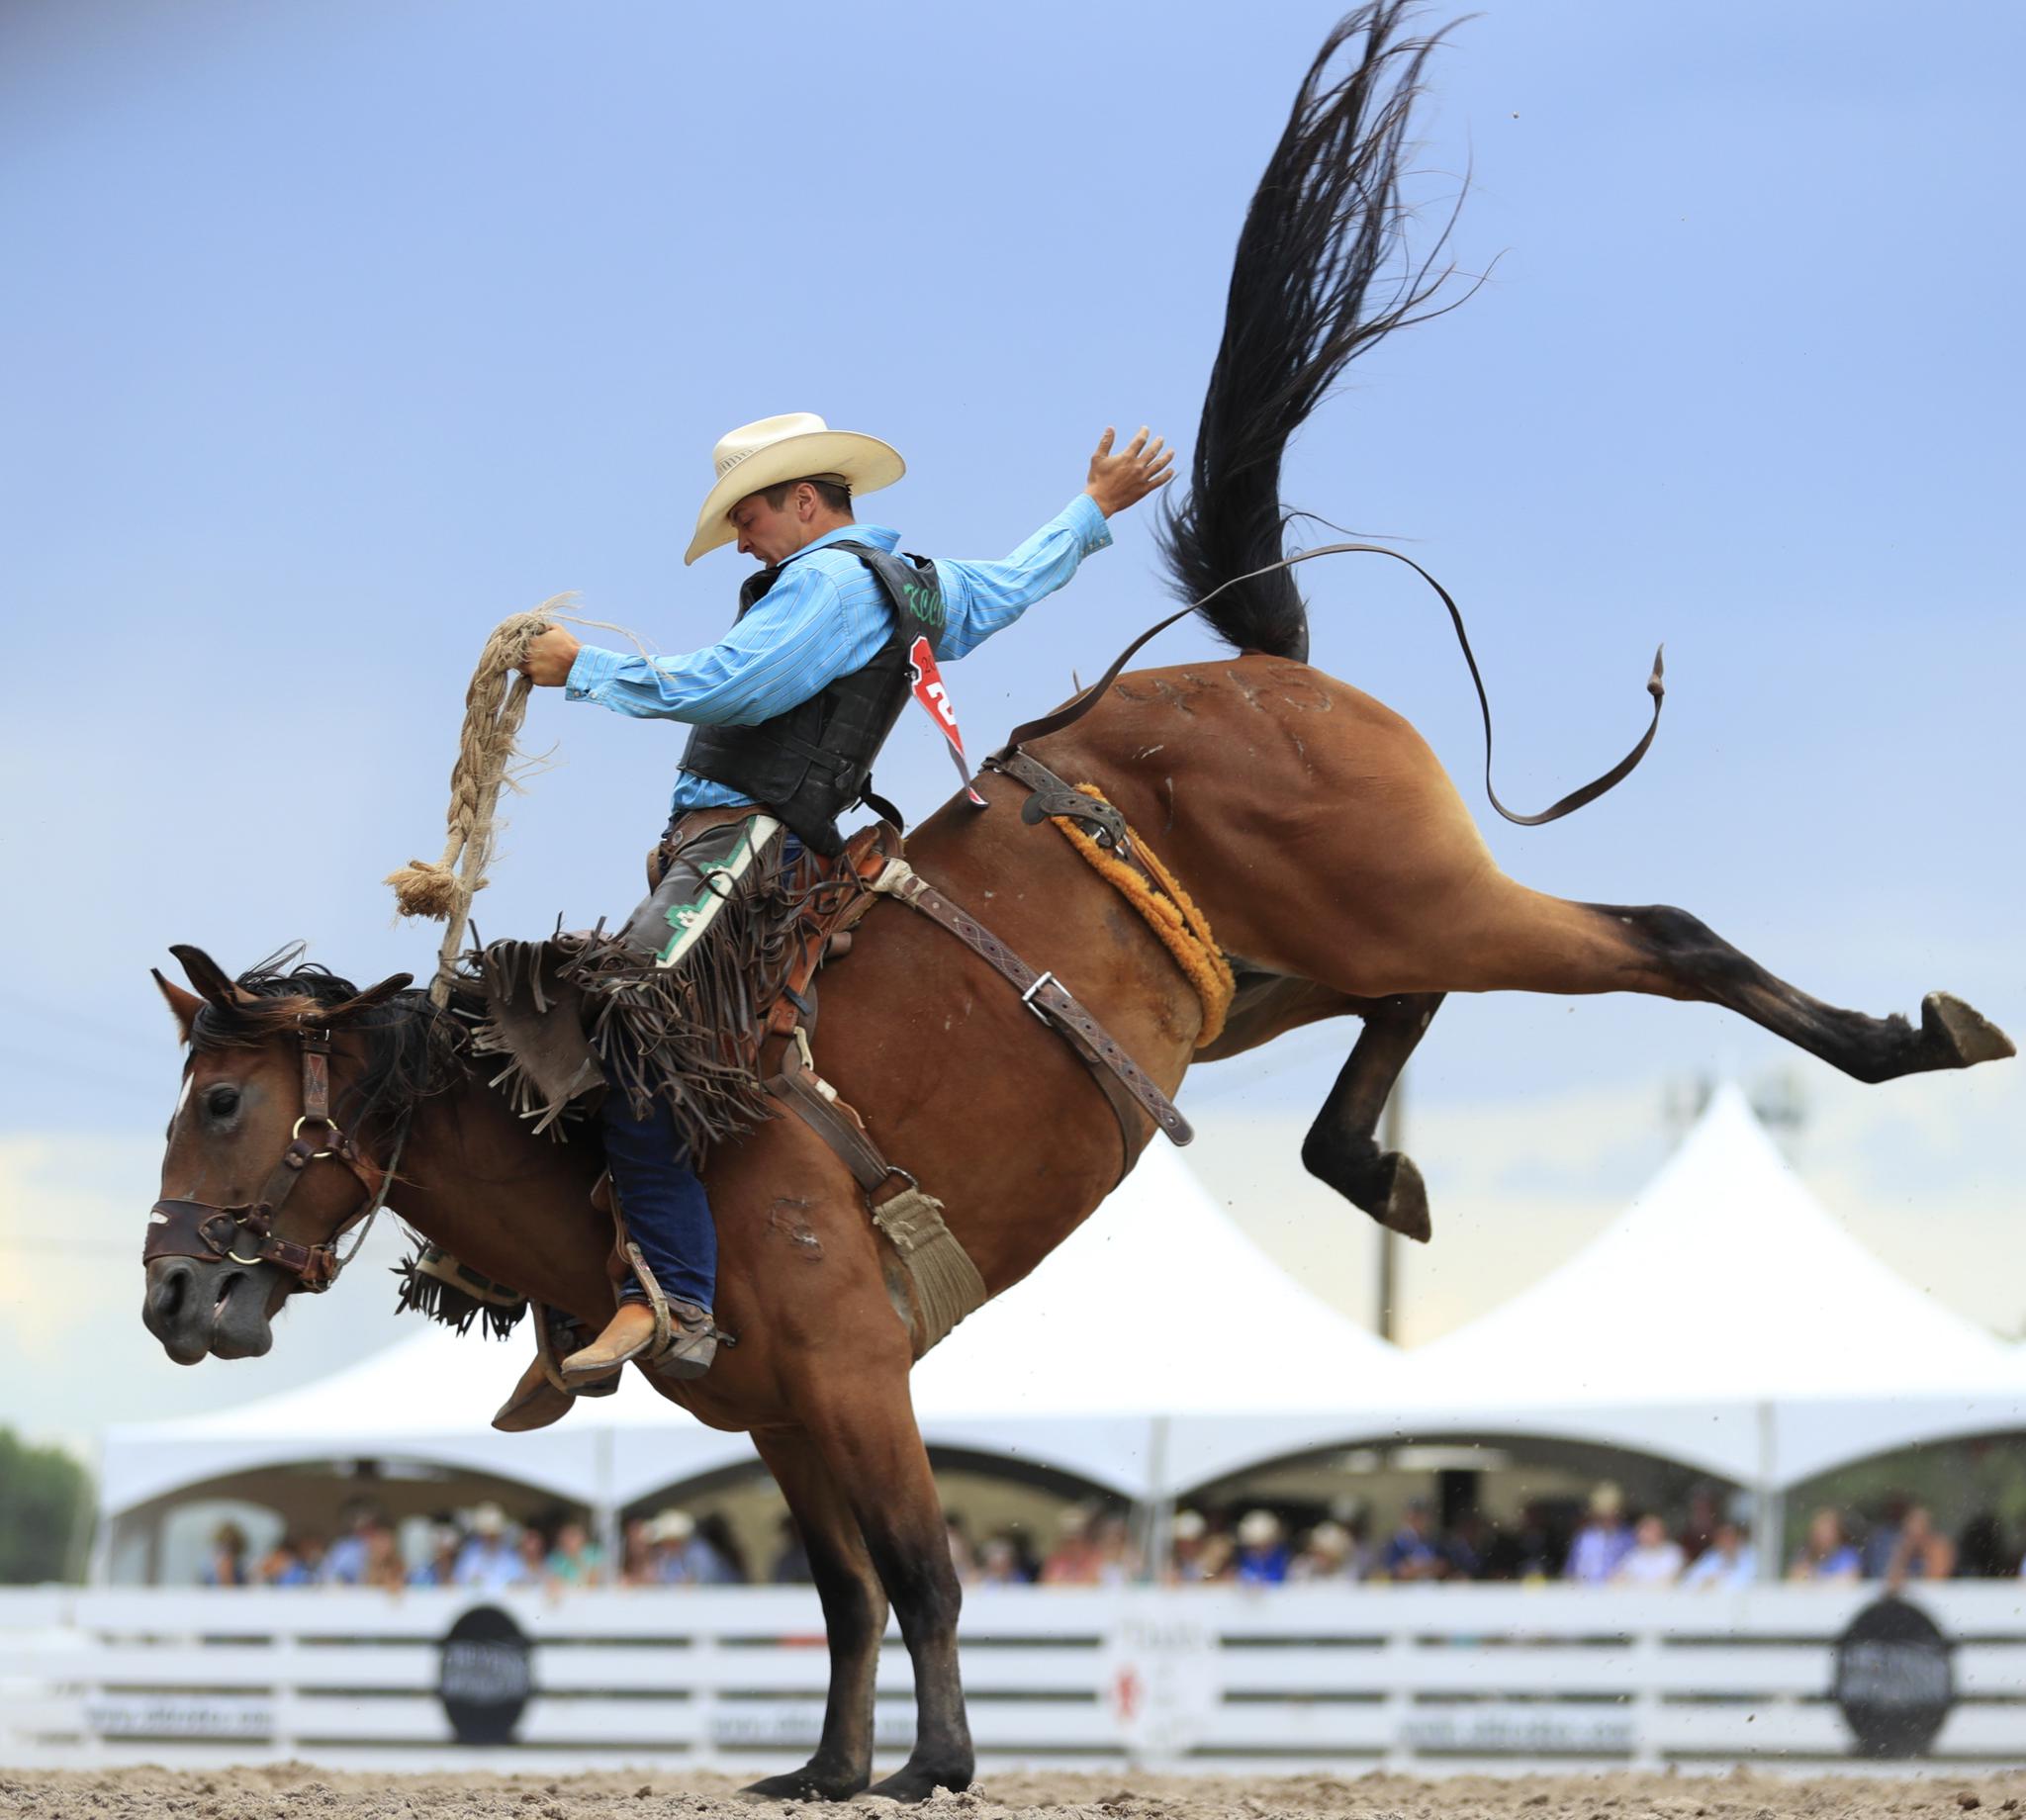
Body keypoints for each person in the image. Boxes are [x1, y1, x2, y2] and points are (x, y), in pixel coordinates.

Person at [495, 412, 1174, 1422]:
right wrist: (1090, 511)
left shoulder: (822, 581)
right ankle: (591, 1283)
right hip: (762, 849)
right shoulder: (911, 586)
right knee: (603, 1023)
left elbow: (729, 684)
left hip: (743, 848)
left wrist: (581, 669)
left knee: (622, 1027)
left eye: (750, 513)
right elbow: (1007, 586)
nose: (740, 538)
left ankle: (665, 1293)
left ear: (805, 501)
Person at [1565, 1483, 1636, 1587]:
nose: (1608, 1520)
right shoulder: (1583, 1537)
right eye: (1602, 1516)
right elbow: (1571, 1570)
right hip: (1586, 1592)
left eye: (1612, 1515)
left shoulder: (1629, 1538)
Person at [453, 1502, 523, 1592]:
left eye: (493, 1535)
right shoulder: (470, 1555)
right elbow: (458, 1582)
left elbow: (518, 1582)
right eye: (486, 1534)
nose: (489, 1538)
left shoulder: (510, 1557)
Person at [1788, 1507, 1862, 1584]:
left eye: (1827, 1531)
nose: (1822, 1536)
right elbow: (1794, 1578)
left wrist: (1814, 1577)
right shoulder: (1804, 1554)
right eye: (1819, 1531)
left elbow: (1850, 1580)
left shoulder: (1847, 1554)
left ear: (1837, 1533)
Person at [1681, 1519, 1758, 1591]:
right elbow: (1690, 1579)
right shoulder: (1712, 1555)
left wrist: (1717, 1582)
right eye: (1722, 1538)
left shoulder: (1751, 1555)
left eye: (1729, 1537)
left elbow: (1747, 1582)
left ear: (1738, 1538)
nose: (1725, 1541)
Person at [1612, 1513, 1685, 1587]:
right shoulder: (1634, 1554)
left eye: (1650, 1530)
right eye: (1642, 1530)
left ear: (1661, 1532)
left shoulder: (1673, 1552)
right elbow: (1617, 1579)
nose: (1644, 1534)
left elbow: (1674, 1580)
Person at [201, 1521, 249, 1588]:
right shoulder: (205, 1579)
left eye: (229, 1553)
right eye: (220, 1552)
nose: (225, 1559)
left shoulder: (244, 1577)